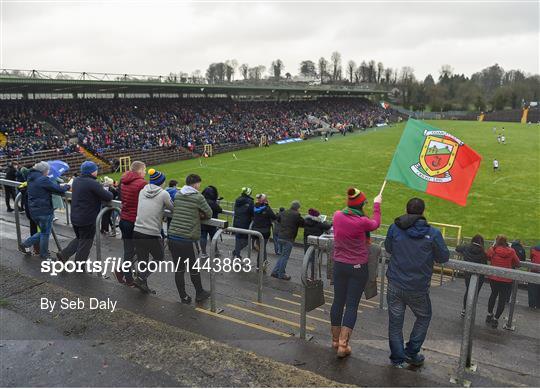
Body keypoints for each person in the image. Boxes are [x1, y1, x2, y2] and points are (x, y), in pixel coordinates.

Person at [384, 197, 449, 368]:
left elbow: (389, 248)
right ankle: (411, 352)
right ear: (422, 212)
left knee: (395, 322)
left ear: (406, 210)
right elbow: (443, 257)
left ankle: (398, 359)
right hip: (417, 287)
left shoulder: (394, 227)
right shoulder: (433, 233)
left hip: (395, 283)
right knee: (424, 316)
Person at [331, 189, 381, 358]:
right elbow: (376, 223)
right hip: (358, 267)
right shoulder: (362, 222)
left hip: (339, 265)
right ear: (361, 205)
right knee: (351, 305)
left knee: (338, 301)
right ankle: (343, 346)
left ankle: (335, 341)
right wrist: (377, 205)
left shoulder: (337, 215)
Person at [57, 161, 114, 266]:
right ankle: (79, 266)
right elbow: (108, 196)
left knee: (80, 239)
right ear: (92, 172)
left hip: (75, 216)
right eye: (95, 170)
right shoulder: (92, 183)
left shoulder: (77, 180)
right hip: (87, 218)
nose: (97, 171)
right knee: (86, 243)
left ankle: (64, 254)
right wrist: (107, 188)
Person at [168, 174, 212, 304]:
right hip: (186, 238)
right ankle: (199, 293)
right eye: (199, 184)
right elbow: (209, 213)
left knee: (179, 269)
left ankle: (184, 297)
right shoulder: (198, 197)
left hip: (173, 236)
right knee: (193, 268)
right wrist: (199, 214)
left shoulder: (178, 194)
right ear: (195, 184)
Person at [132, 169, 173, 293]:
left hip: (137, 229)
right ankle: (141, 278)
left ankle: (143, 284)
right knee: (159, 257)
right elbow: (173, 208)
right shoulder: (163, 193)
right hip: (151, 232)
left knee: (143, 260)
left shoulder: (142, 191)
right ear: (161, 182)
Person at [19, 162, 69, 259]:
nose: (48, 172)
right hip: (44, 210)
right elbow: (58, 189)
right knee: (45, 233)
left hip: (34, 210)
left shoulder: (31, 177)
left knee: (44, 232)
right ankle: (43, 254)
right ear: (44, 171)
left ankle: (25, 244)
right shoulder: (43, 179)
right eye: (47, 170)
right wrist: (67, 186)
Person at [115, 161, 147, 286]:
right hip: (135, 220)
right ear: (139, 171)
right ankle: (127, 274)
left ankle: (126, 276)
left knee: (129, 250)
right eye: (144, 170)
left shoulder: (123, 180)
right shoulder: (142, 183)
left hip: (124, 218)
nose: (145, 173)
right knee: (139, 249)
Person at [486, 235, 520, 329]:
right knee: (502, 299)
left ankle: (489, 314)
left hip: (494, 278)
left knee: (493, 294)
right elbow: (518, 263)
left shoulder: (493, 249)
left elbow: (488, 256)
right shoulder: (511, 251)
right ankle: (496, 319)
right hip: (506, 279)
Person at [271, 200, 304, 281]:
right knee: (285, 257)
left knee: (282, 256)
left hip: (280, 237)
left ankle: (275, 271)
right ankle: (281, 274)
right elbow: (303, 223)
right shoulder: (296, 215)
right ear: (298, 208)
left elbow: (278, 219)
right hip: (288, 238)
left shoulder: (284, 212)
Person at [456, 235, 488, 317]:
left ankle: (464, 309)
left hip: (468, 274)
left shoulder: (466, 247)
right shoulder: (483, 252)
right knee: (475, 293)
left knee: (468, 291)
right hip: (479, 275)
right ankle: (471, 310)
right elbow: (485, 264)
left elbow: (457, 248)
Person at [251, 193, 276, 271]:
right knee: (262, 248)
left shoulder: (255, 207)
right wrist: (267, 205)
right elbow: (274, 217)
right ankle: (261, 264)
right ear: (265, 200)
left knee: (260, 247)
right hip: (264, 232)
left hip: (255, 230)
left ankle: (261, 264)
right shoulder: (267, 209)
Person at [303, 208, 332, 275]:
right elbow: (328, 226)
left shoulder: (306, 221)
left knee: (307, 258)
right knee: (314, 259)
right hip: (315, 242)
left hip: (306, 240)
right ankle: (313, 275)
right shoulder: (318, 223)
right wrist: (324, 221)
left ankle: (305, 273)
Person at [232, 187, 254, 259]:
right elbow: (252, 212)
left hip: (236, 223)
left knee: (238, 240)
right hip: (245, 224)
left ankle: (237, 254)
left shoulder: (238, 199)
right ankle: (236, 252)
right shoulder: (250, 201)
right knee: (246, 241)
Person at [200, 185, 222, 255]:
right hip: (212, 224)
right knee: (213, 238)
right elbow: (220, 210)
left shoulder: (201, 201)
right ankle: (215, 251)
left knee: (203, 237)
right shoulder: (212, 203)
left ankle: (203, 252)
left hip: (202, 223)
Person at [528, 243, 540, 309]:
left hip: (534, 273)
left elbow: (531, 259)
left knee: (532, 291)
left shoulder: (533, 249)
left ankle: (531, 306)